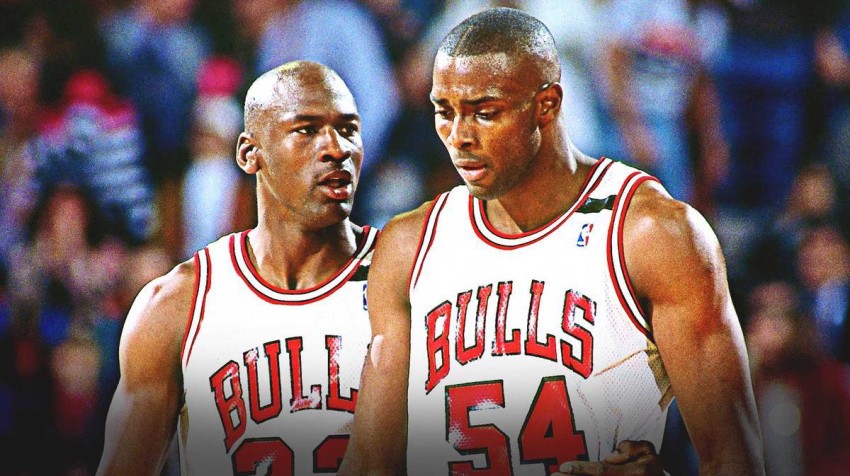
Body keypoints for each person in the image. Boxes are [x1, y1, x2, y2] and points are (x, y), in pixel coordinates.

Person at [342, 8, 764, 475]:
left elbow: (734, 458)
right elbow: (369, 465)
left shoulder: (651, 233)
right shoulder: (408, 247)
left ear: (547, 104)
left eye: (484, 113)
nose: (459, 137)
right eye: (445, 112)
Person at [97, 61, 377, 475]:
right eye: (307, 129)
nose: (336, 148)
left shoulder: (407, 278)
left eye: (349, 129)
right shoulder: (177, 304)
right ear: (249, 153)